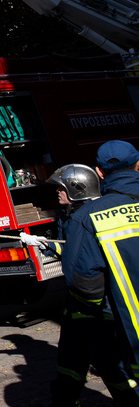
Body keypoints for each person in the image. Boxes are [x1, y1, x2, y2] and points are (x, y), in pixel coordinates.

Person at [22, 164, 138, 405]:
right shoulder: (74, 214)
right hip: (78, 306)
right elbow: (72, 251)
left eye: (61, 188)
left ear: (76, 189)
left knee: (110, 364)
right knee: (70, 361)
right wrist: (44, 244)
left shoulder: (86, 216)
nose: (57, 192)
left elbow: (86, 266)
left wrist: (92, 306)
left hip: (97, 308)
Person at [64, 140, 139, 401]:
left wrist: (102, 309)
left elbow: (83, 281)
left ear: (99, 172)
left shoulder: (88, 217)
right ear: (138, 164)